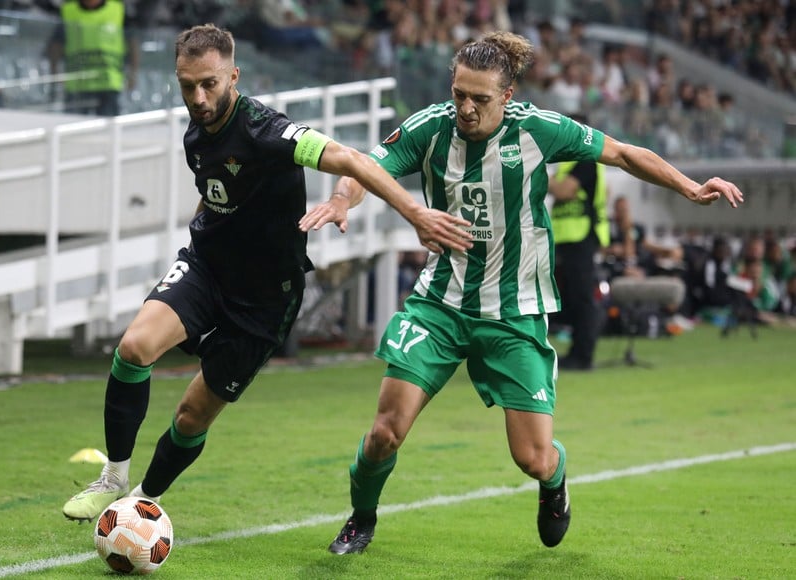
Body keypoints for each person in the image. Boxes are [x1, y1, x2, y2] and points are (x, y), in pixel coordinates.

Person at [299, 30, 744, 554]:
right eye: (459, 93)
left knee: (532, 458)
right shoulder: (430, 129)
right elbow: (364, 167)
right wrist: (342, 198)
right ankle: (361, 517)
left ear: (507, 96)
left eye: (480, 99)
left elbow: (622, 153)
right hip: (440, 304)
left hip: (515, 312)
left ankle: (554, 482)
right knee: (385, 432)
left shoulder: (538, 130)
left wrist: (690, 187)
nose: (465, 108)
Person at [61, 23, 472, 523]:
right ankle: (113, 477)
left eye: (209, 83)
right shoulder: (196, 130)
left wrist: (414, 214)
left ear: (234, 75)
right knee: (133, 348)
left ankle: (141, 499)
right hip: (207, 267)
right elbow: (216, 187)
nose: (198, 96)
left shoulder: (267, 130)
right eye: (187, 84)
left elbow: (349, 158)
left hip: (265, 299)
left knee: (192, 416)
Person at [548, 113, 610, 370]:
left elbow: (565, 191)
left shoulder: (585, 158)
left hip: (581, 236)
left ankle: (583, 356)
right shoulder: (570, 162)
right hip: (568, 238)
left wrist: (536, 170)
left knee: (583, 297)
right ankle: (577, 351)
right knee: (573, 296)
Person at [47, 0, 140, 116]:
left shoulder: (118, 10)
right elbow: (56, 45)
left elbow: (133, 44)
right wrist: (55, 72)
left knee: (108, 129)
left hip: (108, 83)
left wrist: (133, 74)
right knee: (73, 127)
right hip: (77, 83)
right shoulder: (68, 11)